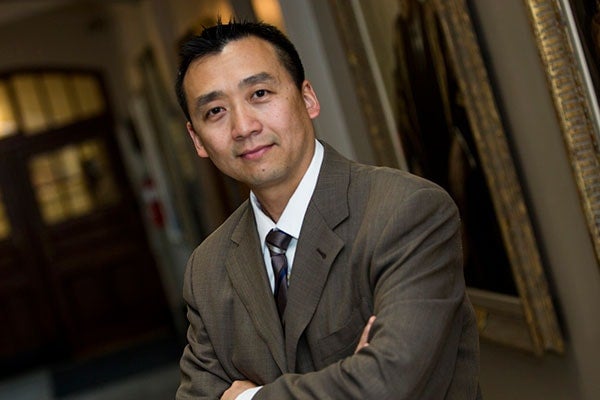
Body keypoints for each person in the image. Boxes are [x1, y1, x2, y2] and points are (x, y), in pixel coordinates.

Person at [174, 19, 481, 400]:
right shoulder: (207, 269)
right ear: (197, 139)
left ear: (308, 99)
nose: (243, 127)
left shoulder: (406, 211)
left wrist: (246, 398)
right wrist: (349, 377)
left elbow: (387, 383)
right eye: (216, 111)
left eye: (260, 94)